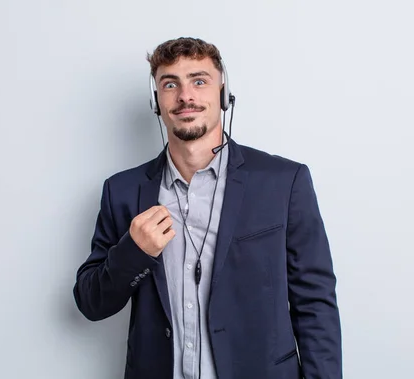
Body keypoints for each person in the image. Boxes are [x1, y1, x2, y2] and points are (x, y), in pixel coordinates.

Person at [73, 37, 342, 379]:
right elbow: (91, 303)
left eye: (199, 81)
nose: (186, 95)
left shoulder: (284, 182)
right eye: (170, 84)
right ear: (157, 102)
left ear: (224, 95)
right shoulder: (122, 190)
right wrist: (133, 252)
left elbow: (315, 304)